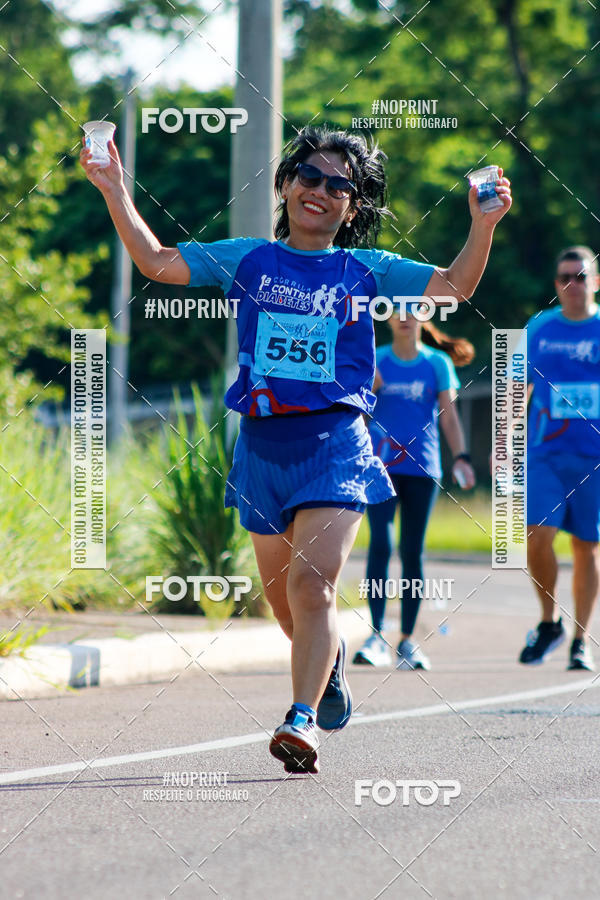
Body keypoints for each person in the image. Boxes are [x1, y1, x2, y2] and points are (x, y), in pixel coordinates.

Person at [80, 125, 511, 774]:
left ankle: (300, 719)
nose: (322, 191)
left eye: (340, 186)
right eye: (309, 176)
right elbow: (157, 261)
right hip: (262, 449)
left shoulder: (367, 270)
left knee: (314, 589)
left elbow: (454, 287)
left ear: (352, 207)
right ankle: (329, 665)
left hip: (337, 441)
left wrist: (485, 225)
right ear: (284, 185)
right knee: (287, 606)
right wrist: (115, 188)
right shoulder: (250, 259)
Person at [353, 314, 476, 669]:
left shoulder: (437, 363)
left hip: (423, 469)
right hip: (380, 468)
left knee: (412, 551)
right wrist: (368, 392)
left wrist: (463, 457)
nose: (405, 318)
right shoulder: (376, 359)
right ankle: (375, 635)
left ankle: (407, 641)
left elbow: (449, 416)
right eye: (397, 311)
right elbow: (358, 415)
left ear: (424, 318)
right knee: (381, 544)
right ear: (387, 318)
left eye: (413, 311)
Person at [518, 245, 599, 671]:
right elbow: (515, 387)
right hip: (545, 452)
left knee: (587, 548)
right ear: (556, 285)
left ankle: (580, 640)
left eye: (581, 276)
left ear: (596, 281)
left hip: (594, 458)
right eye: (565, 277)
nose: (573, 284)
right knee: (536, 535)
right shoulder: (540, 328)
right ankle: (550, 621)